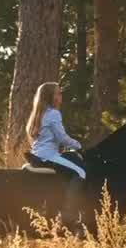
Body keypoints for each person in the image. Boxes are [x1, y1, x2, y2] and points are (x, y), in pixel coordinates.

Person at [25, 82, 86, 224]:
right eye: (58, 93)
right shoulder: (53, 114)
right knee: (80, 172)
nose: (61, 96)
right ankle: (68, 213)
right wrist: (78, 145)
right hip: (48, 157)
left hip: (38, 154)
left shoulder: (38, 114)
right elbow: (62, 138)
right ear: (51, 97)